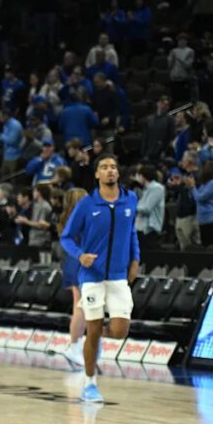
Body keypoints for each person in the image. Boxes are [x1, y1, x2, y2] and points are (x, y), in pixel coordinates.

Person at [60, 154, 140, 403]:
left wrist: (135, 259)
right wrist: (79, 255)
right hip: (92, 276)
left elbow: (132, 231)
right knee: (93, 327)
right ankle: (90, 382)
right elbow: (66, 236)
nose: (110, 171)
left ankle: (91, 341)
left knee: (119, 330)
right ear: (97, 174)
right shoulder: (87, 204)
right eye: (104, 167)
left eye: (114, 167)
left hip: (118, 276)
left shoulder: (130, 199)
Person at [58, 188, 89, 366]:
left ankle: (77, 345)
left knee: (79, 305)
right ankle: (75, 346)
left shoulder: (67, 218)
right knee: (81, 307)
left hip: (71, 260)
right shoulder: (83, 217)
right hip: (81, 261)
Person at [185, 161, 213, 246]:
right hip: (202, 220)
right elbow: (194, 197)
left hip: (211, 220)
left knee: (210, 247)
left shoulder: (212, 183)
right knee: (205, 246)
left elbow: (200, 198)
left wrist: (192, 186)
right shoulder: (204, 184)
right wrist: (190, 187)